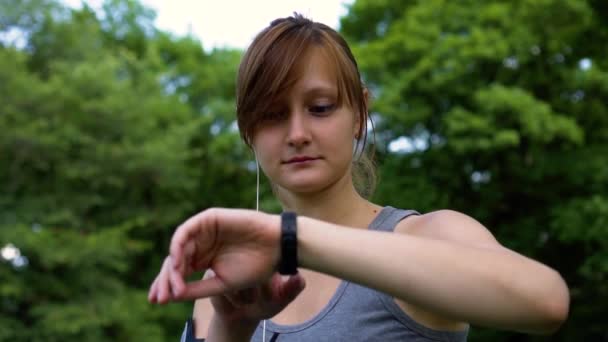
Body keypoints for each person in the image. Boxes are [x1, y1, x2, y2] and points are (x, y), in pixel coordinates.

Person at [148, 13, 570, 341]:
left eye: (320, 107)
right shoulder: (227, 283)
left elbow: (545, 301)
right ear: (248, 132)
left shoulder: (428, 236)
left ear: (358, 114)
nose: (297, 134)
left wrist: (291, 240)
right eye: (272, 115)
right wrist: (234, 327)